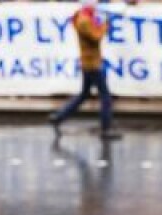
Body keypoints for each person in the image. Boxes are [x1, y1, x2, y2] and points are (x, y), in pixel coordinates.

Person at [48, 0, 121, 140]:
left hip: (89, 62)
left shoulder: (84, 18)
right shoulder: (84, 21)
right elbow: (96, 37)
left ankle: (58, 117)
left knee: (84, 94)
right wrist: (105, 25)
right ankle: (106, 129)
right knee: (105, 97)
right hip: (92, 63)